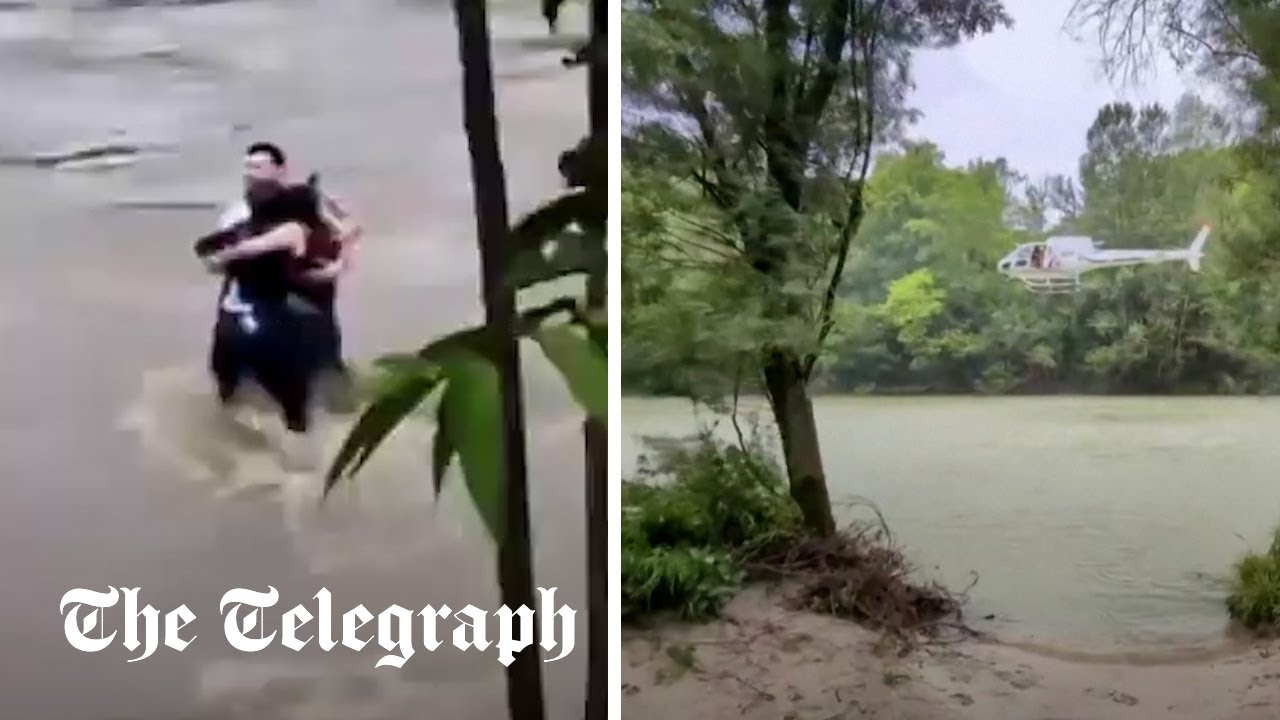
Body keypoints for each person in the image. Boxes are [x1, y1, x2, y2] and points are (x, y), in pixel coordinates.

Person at [219, 142, 361, 409]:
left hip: (309, 307)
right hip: (257, 307)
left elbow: (349, 230)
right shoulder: (237, 215)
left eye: (258, 167)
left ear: (280, 171)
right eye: (247, 168)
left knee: (329, 381)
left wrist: (340, 264)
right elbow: (227, 259)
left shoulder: (303, 204)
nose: (250, 174)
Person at [196, 183, 329, 469]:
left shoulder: (240, 231)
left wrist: (223, 257)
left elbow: (203, 249)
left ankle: (232, 437)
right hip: (269, 321)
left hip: (232, 321)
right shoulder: (292, 230)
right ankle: (302, 460)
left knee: (227, 385)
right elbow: (276, 248)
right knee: (292, 395)